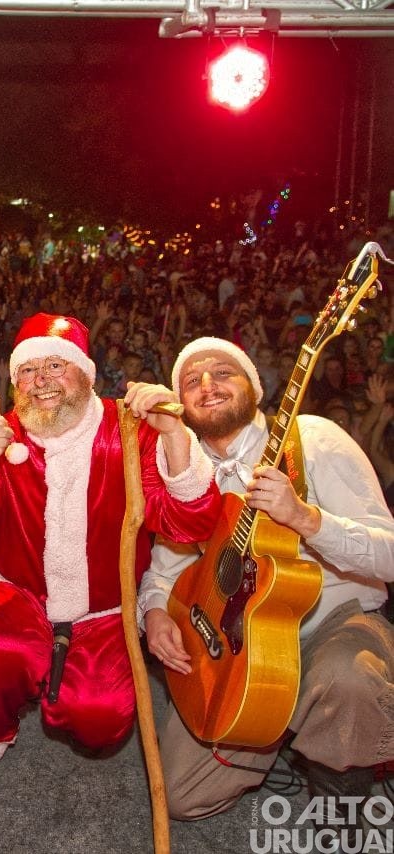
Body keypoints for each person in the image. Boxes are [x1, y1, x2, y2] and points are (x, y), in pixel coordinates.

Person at [0, 313, 222, 799]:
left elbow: (190, 523)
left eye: (55, 365)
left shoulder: (128, 431)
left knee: (100, 719)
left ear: (85, 373)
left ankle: (60, 686)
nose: (41, 380)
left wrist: (173, 435)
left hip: (106, 606)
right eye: (28, 370)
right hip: (17, 590)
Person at [138, 337, 394, 839]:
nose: (208, 385)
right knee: (180, 795)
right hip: (239, 647)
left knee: (349, 677)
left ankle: (339, 785)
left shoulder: (311, 439)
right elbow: (163, 570)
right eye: (192, 380)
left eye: (223, 372)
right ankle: (277, 733)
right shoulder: (187, 470)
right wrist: (155, 612)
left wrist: (308, 520)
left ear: (254, 387)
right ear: (180, 402)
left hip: (330, 622)